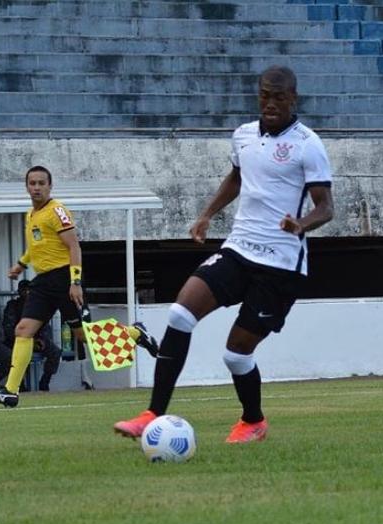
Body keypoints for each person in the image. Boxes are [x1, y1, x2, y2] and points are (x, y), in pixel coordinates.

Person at [114, 66, 334, 444]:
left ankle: (253, 421)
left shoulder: (307, 144)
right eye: (264, 95)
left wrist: (301, 224)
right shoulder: (243, 136)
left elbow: (326, 206)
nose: (270, 103)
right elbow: (236, 177)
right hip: (238, 248)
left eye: (279, 97)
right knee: (180, 313)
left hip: (280, 266)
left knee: (236, 355)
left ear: (293, 99)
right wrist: (207, 215)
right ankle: (152, 414)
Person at [0, 166, 160, 408]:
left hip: (64, 279)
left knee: (83, 336)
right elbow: (37, 247)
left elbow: (74, 247)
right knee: (22, 330)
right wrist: (20, 264)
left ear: (50, 186)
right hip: (43, 282)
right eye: (32, 183)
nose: (36, 187)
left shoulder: (57, 211)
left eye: (41, 183)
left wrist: (75, 282)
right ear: (27, 186)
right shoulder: (31, 214)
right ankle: (11, 391)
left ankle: (135, 333)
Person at [2, 280, 61, 391]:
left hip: (37, 339)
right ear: (19, 292)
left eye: (29, 290)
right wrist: (28, 340)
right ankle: (19, 384)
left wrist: (42, 340)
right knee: (18, 354)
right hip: (17, 340)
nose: (27, 293)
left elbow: (45, 325)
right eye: (24, 290)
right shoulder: (13, 306)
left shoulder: (38, 306)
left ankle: (45, 382)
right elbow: (9, 329)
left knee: (55, 352)